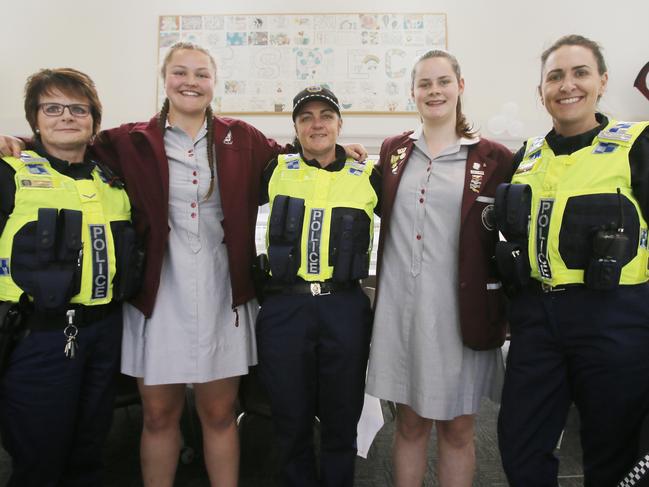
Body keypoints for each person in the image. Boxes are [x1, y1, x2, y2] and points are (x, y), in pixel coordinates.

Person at [0, 41, 367, 487]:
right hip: (157, 292)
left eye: (201, 74)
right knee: (158, 414)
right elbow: (70, 142)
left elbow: (299, 155)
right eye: (180, 72)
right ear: (165, 79)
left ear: (215, 84)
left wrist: (343, 148)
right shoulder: (129, 140)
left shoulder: (242, 138)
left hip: (221, 290)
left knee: (218, 412)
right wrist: (19, 141)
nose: (190, 82)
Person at [496, 34, 649, 487]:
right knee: (519, 444)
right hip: (536, 320)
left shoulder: (637, 145)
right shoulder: (525, 157)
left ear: (602, 81)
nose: (568, 85)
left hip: (615, 318)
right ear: (540, 91)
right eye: (555, 76)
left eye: (580, 73)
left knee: (612, 452)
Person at [365, 50, 512, 487]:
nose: (434, 91)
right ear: (413, 92)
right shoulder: (393, 152)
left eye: (443, 82)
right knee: (409, 426)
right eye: (425, 84)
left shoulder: (494, 158)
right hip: (403, 315)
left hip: (460, 315)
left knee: (458, 429)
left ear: (460, 87)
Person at [0, 68, 138, 486]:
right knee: (39, 460)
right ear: (35, 119)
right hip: (36, 338)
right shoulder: (11, 174)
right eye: (53, 108)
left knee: (91, 453)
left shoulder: (112, 180)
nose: (66, 117)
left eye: (78, 109)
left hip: (103, 333)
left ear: (94, 120)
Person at [256, 85, 380, 487]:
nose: (316, 124)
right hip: (284, 310)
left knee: (342, 418)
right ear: (295, 127)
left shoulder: (368, 174)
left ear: (340, 124)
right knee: (289, 418)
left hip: (343, 307)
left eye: (325, 116)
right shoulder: (273, 169)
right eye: (306, 117)